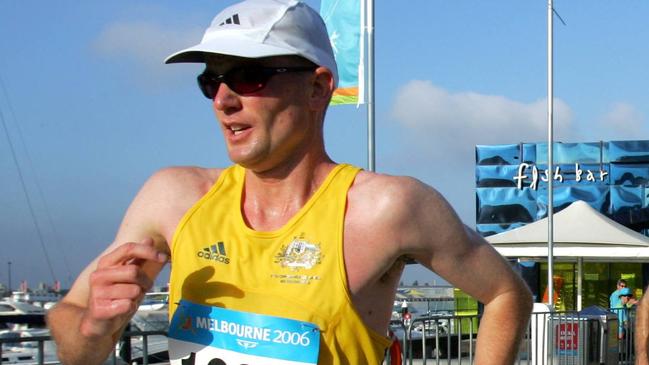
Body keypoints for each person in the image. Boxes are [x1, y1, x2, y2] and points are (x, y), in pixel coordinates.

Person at [45, 1, 532, 364]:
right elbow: (71, 333)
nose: (224, 100)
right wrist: (95, 329)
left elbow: (507, 294)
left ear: (318, 87)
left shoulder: (388, 207)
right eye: (212, 81)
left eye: (250, 77)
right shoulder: (173, 197)